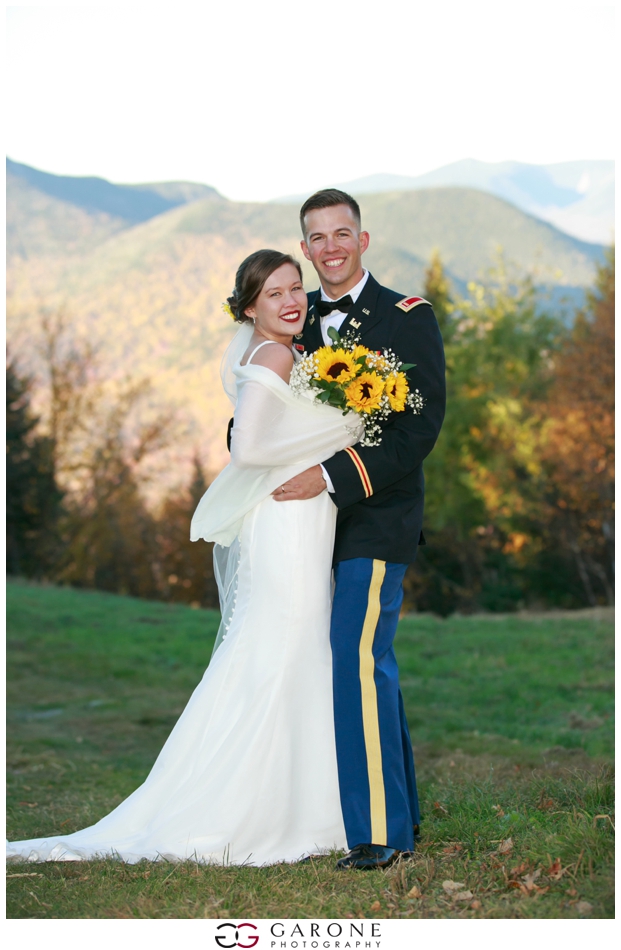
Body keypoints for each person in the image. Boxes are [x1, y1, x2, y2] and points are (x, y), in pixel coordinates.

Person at [6, 250, 362, 866]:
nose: (291, 301)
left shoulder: (283, 350)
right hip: (286, 517)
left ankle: (302, 801)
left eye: (295, 288)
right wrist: (345, 431)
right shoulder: (276, 353)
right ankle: (265, 812)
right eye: (274, 294)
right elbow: (249, 449)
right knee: (290, 644)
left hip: (297, 515)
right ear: (250, 307)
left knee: (283, 646)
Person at [272, 189, 446, 870]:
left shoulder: (407, 318)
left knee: (353, 658)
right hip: (304, 531)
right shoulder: (297, 320)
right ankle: (401, 813)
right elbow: (265, 410)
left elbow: (417, 431)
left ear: (363, 240)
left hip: (376, 520)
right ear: (306, 248)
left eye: (341, 234)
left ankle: (379, 834)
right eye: (316, 238)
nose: (330, 249)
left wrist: (332, 477)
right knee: (363, 664)